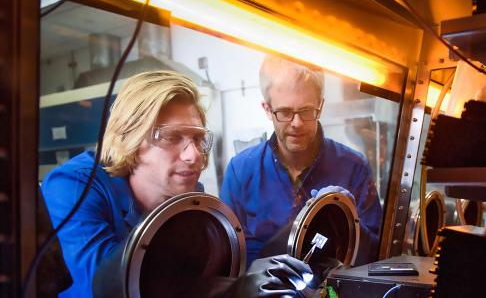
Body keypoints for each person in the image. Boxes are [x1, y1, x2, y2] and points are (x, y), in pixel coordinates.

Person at [42, 70, 312, 298]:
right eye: (171, 137)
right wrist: (231, 290)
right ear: (131, 140)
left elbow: (196, 272)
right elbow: (105, 287)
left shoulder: (188, 194)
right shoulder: (74, 186)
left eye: (197, 139)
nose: (193, 155)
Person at [220, 55, 383, 269]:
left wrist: (349, 222)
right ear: (267, 109)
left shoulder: (353, 167)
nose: (296, 123)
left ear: (320, 106)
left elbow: (376, 255)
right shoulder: (241, 171)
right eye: (285, 112)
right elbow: (229, 260)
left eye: (306, 111)